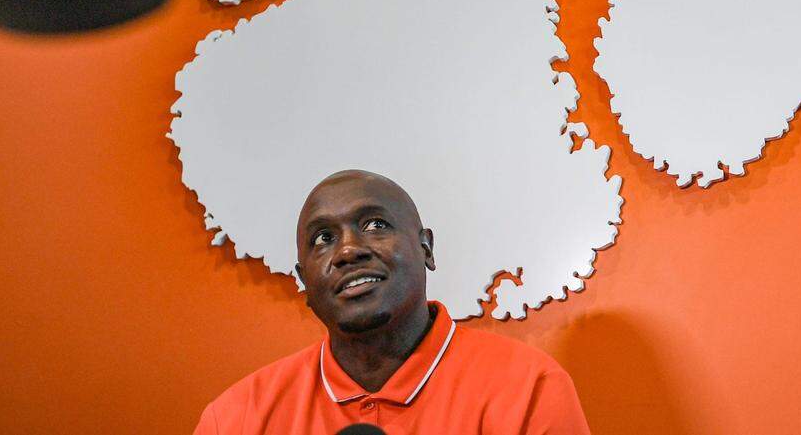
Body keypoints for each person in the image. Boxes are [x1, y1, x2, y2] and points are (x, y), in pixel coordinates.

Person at [194, 170, 591, 434]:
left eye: (375, 225)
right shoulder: (235, 419)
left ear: (426, 249)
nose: (348, 250)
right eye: (323, 239)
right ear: (305, 284)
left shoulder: (530, 389)